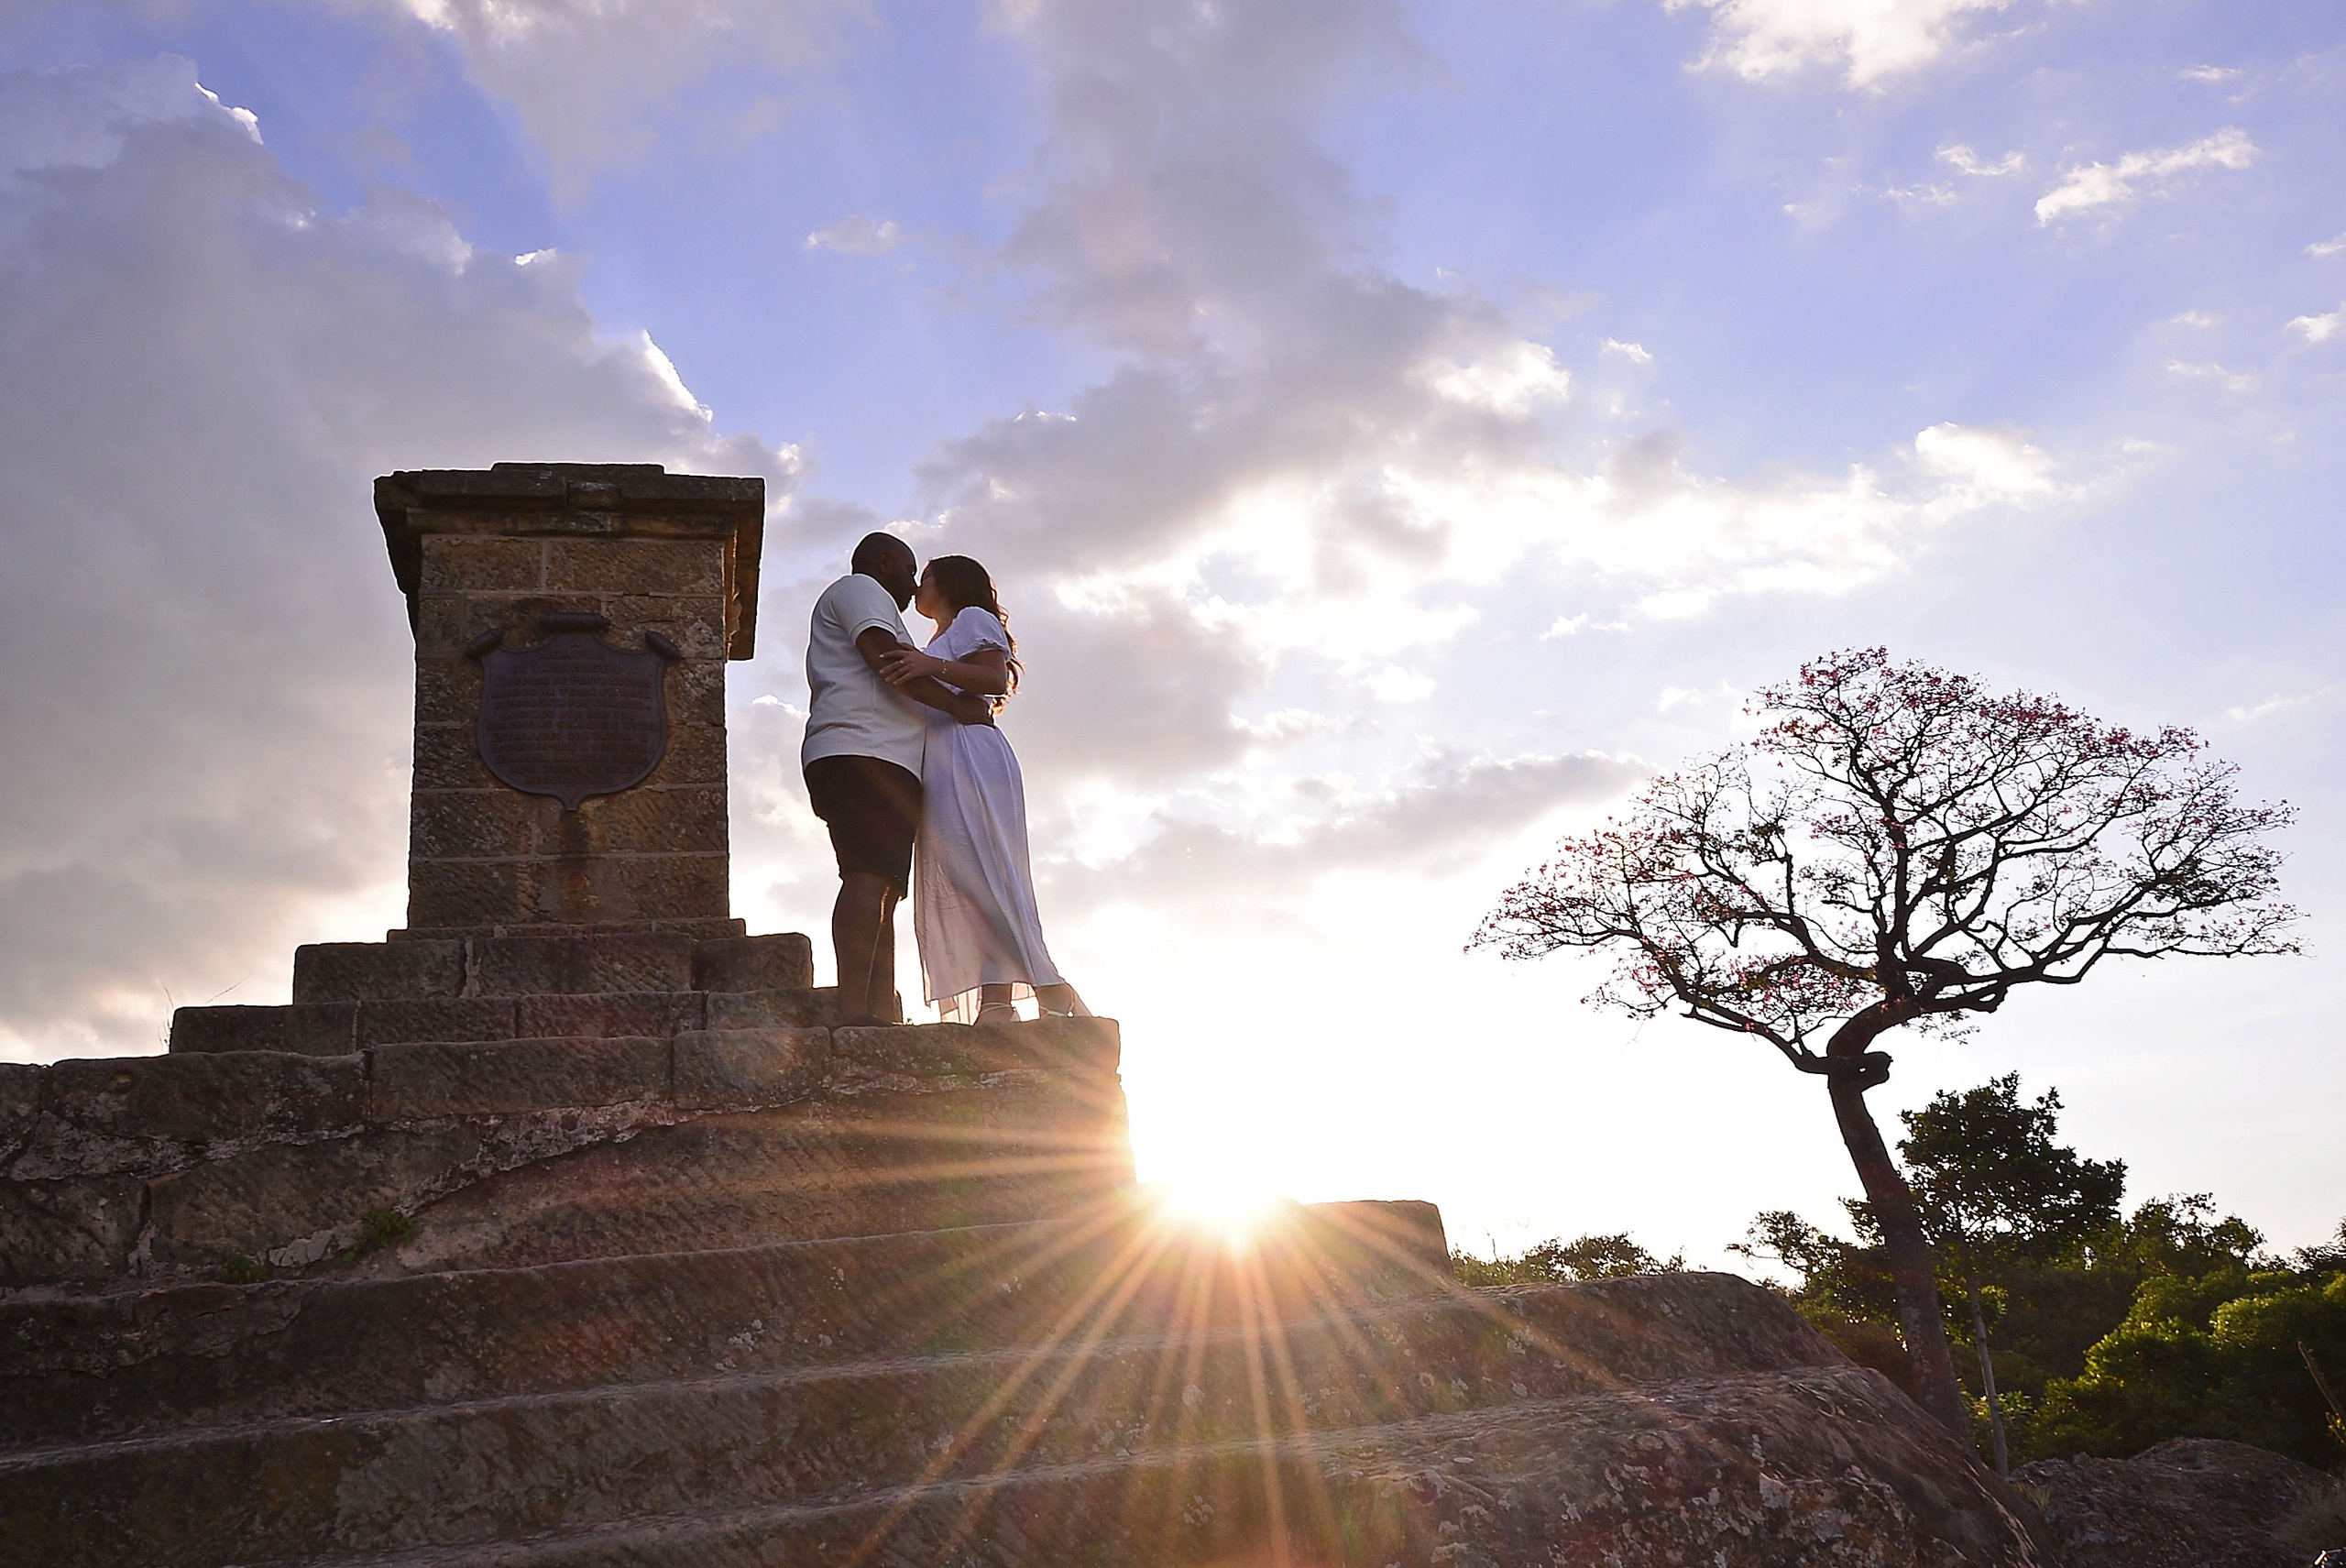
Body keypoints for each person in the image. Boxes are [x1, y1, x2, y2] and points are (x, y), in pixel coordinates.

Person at [878, 554, 1087, 1024]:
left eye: (926, 578)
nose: (917, 587)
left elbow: (992, 679)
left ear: (950, 583)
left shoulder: (972, 619)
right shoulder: (939, 638)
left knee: (986, 867)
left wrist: (928, 665)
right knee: (965, 875)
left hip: (971, 751)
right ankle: (1000, 999)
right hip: (943, 760)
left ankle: (1045, 990)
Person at [801, 533, 993, 1026]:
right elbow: (887, 659)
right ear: (884, 562)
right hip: (863, 752)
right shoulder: (861, 589)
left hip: (877, 757)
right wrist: (959, 707)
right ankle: (851, 1013)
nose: (913, 585)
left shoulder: (876, 603)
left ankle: (878, 1014)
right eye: (910, 571)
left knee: (884, 886)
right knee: (868, 876)